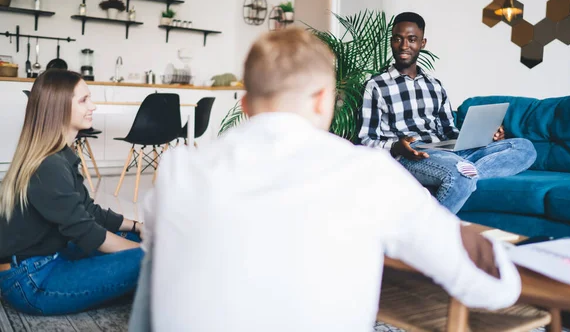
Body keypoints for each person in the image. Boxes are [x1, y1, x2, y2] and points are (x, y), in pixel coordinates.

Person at [130, 28, 521, 332]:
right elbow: (489, 289)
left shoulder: (179, 171)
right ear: (322, 100)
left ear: (245, 106)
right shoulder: (367, 174)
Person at [359, 12, 537, 213]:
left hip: (448, 150)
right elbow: (366, 139)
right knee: (458, 176)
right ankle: (428, 229)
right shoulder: (376, 85)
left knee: (524, 147)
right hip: (414, 154)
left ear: (422, 43)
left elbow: (449, 131)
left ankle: (467, 170)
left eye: (412, 39)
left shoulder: (435, 85)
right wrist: (396, 147)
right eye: (398, 39)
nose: (404, 46)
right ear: (391, 41)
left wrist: (484, 137)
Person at [0, 70, 143, 316]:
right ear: (59, 108)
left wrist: (138, 226)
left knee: (143, 243)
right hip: (31, 280)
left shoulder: (59, 156)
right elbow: (87, 232)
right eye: (84, 100)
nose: (93, 106)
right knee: (155, 258)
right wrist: (150, 252)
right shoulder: (48, 165)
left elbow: (89, 212)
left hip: (48, 256)